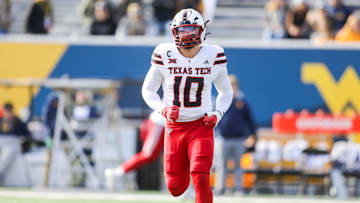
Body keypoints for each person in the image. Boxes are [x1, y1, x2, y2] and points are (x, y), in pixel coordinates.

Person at [141, 8, 233, 203]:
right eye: (181, 30)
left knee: (200, 176)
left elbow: (226, 91)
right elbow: (148, 90)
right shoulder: (164, 53)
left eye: (190, 30)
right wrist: (162, 109)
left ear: (200, 31)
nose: (186, 35)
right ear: (174, 32)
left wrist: (218, 113)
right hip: (174, 127)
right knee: (175, 187)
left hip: (201, 125)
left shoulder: (214, 54)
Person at [215, 74, 257, 195]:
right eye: (229, 85)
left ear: (237, 87)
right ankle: (220, 188)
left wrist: (252, 135)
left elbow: (250, 121)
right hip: (223, 138)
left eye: (233, 85)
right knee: (221, 164)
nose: (232, 88)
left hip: (238, 139)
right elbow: (215, 118)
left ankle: (238, 188)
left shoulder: (242, 103)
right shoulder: (221, 101)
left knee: (238, 165)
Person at [104, 111, 165, 189]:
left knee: (172, 154)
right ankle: (116, 173)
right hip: (161, 122)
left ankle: (179, 184)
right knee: (147, 155)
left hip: (171, 123)